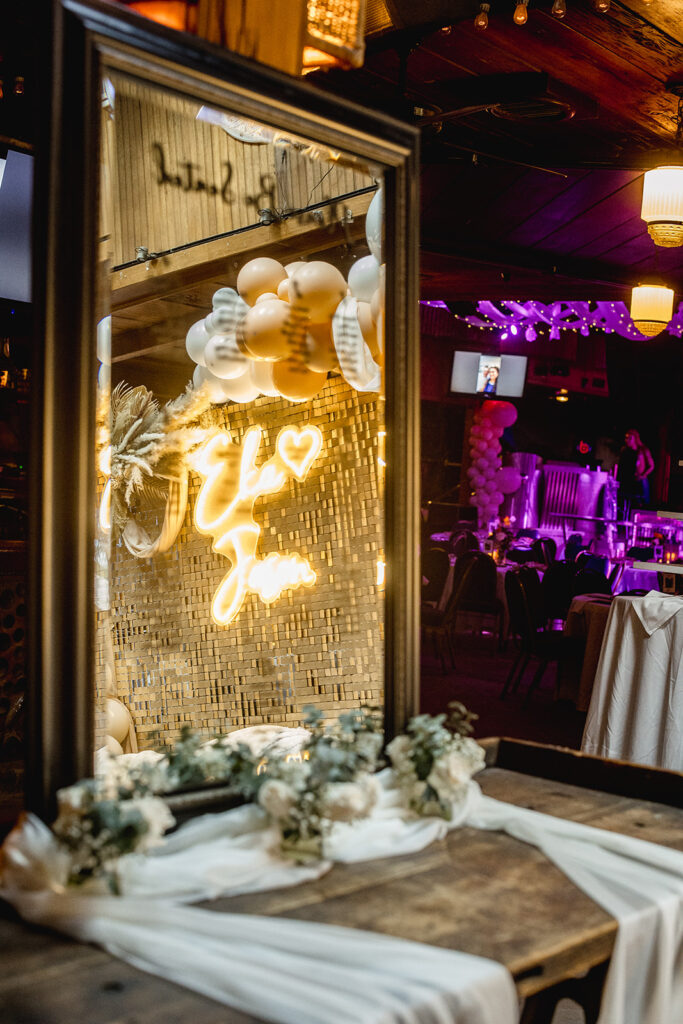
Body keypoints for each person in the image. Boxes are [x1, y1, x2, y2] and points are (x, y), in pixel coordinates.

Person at [616, 428, 654, 514]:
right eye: (626, 438)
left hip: (639, 482)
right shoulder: (624, 451)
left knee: (640, 505)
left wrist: (643, 475)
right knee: (625, 504)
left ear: (635, 438)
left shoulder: (643, 450)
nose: (627, 440)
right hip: (627, 481)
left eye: (630, 438)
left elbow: (651, 466)